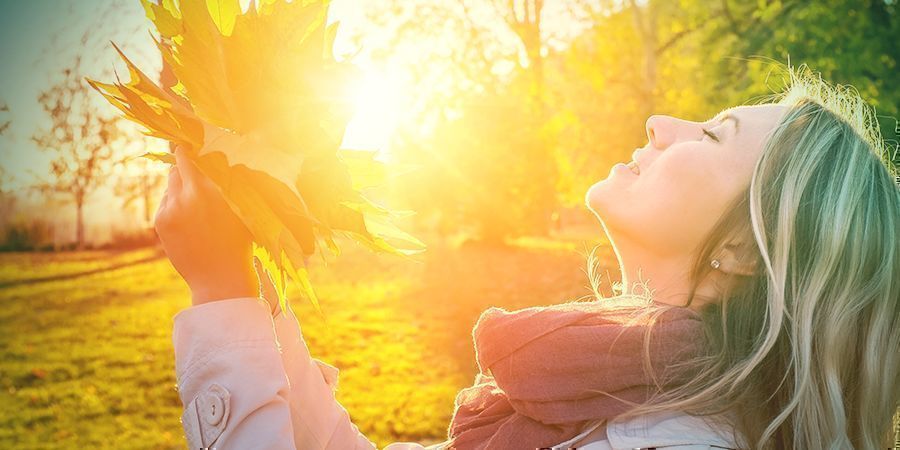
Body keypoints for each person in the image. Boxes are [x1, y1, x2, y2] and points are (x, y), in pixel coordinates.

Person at [155, 65, 900, 449]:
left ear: (743, 246)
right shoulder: (617, 397)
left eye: (711, 135)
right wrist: (254, 289)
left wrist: (220, 292)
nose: (660, 121)